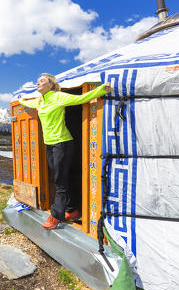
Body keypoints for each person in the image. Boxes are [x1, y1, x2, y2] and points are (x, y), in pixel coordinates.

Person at [20, 73, 111, 230]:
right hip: (49, 144)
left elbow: (81, 99)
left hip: (62, 142)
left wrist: (102, 90)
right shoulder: (40, 101)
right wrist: (19, 99)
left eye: (42, 81)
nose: (38, 83)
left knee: (60, 180)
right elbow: (23, 102)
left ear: (51, 85)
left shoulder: (58, 96)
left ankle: (56, 216)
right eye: (37, 81)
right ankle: (72, 210)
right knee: (58, 178)